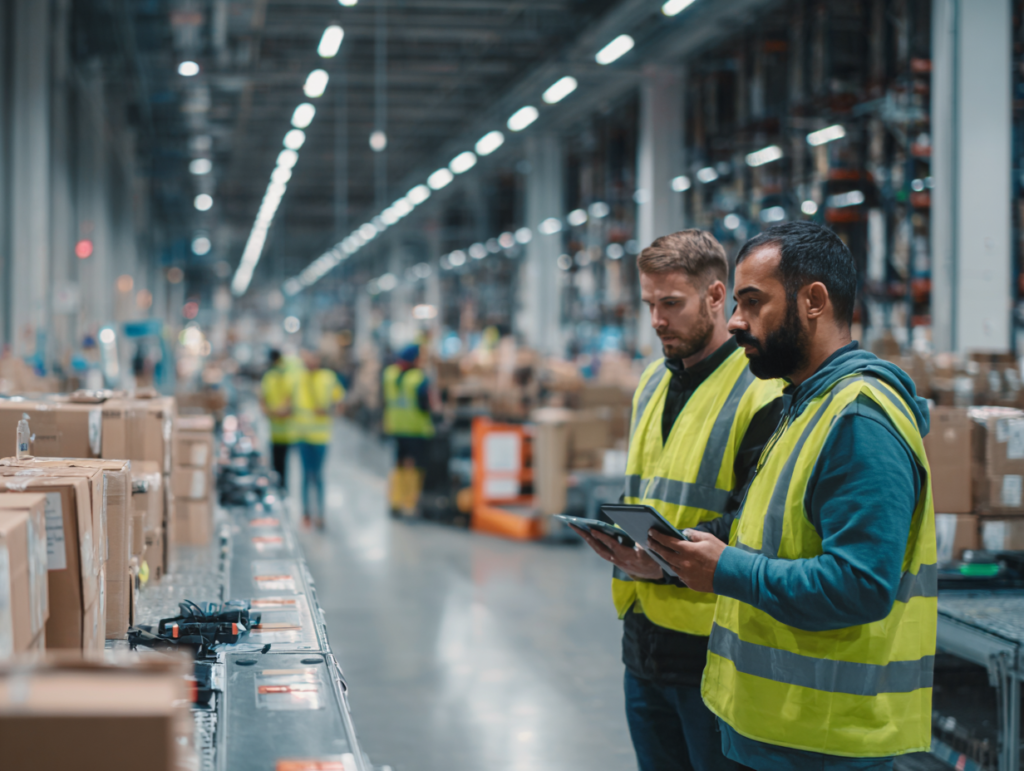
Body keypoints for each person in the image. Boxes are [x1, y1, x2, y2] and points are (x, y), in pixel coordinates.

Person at [648, 221, 935, 770]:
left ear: (814, 301)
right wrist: (679, 549)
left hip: (825, 745)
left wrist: (728, 570)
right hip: (772, 732)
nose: (734, 322)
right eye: (736, 303)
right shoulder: (803, 402)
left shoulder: (859, 419)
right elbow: (767, 528)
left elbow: (860, 585)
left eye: (753, 302)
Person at [572, 230, 785, 771]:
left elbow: (754, 520)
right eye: (649, 304)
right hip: (643, 644)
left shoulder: (760, 391)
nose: (657, 320)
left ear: (717, 297)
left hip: (712, 649)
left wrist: (661, 560)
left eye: (671, 303)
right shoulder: (650, 383)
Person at [382, 344, 435, 517]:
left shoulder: (390, 374)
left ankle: (395, 502)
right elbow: (426, 405)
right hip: (415, 429)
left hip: (396, 427)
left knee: (398, 465)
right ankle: (409, 505)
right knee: (413, 467)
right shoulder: (419, 378)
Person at [295, 349, 345, 529]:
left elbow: (340, 403)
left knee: (318, 476)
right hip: (301, 435)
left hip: (321, 436)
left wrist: (329, 411)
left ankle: (320, 515)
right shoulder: (299, 377)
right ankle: (306, 513)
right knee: (305, 476)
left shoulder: (328, 377)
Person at [260, 349, 300, 490]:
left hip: (284, 429)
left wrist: (276, 411)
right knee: (277, 464)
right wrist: (275, 412)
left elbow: (291, 400)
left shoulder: (284, 376)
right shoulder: (271, 377)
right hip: (277, 430)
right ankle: (279, 489)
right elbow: (263, 399)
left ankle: (281, 489)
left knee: (281, 464)